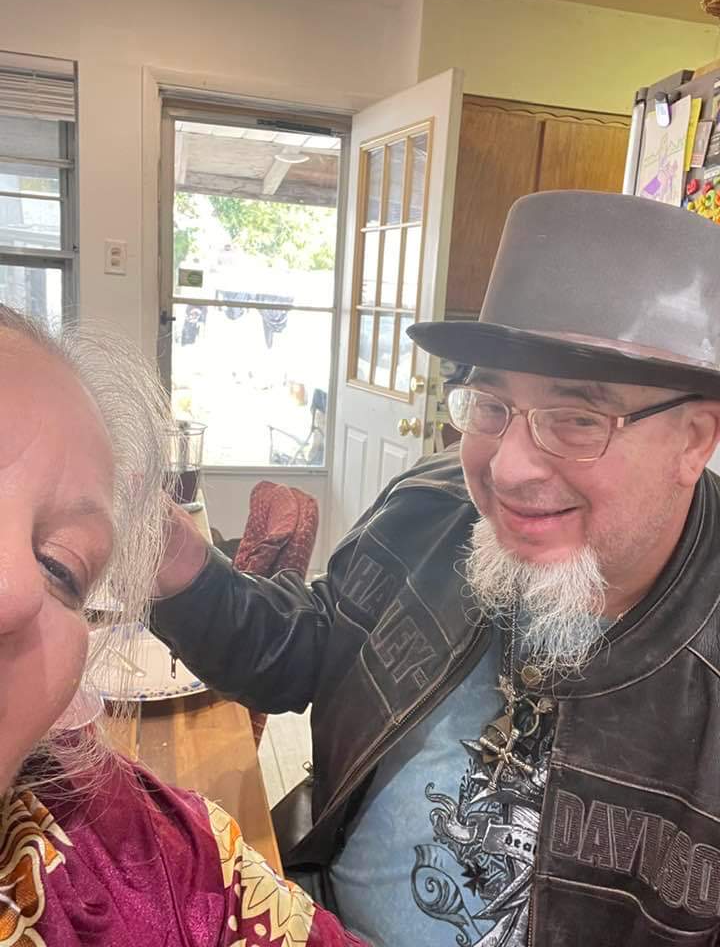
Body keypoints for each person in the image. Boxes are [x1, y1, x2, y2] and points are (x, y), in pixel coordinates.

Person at [150, 190, 720, 947]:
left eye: (578, 419)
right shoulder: (432, 505)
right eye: (489, 404)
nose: (507, 469)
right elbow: (309, 651)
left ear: (694, 440)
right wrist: (176, 561)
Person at [0, 303, 366, 947]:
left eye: (60, 566)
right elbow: (313, 646)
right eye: (490, 403)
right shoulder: (418, 507)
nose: (12, 590)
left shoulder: (167, 867)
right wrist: (199, 580)